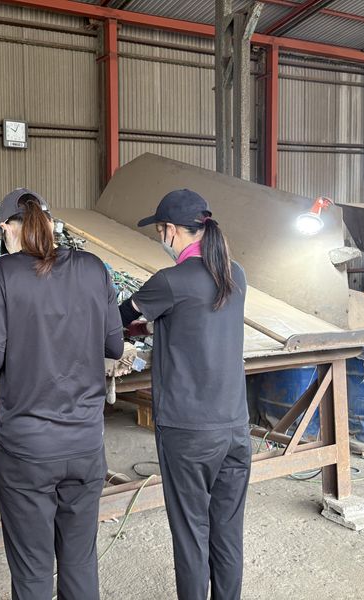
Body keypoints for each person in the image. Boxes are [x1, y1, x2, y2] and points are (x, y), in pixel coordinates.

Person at [0, 188, 124, 600]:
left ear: (8, 228)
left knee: (33, 568)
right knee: (79, 561)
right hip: (86, 444)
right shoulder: (93, 268)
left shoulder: (2, 274)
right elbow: (114, 346)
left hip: (27, 449)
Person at [119, 189, 249, 600]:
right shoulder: (235, 274)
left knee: (191, 534)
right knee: (227, 532)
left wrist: (140, 325)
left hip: (189, 431)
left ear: (170, 230)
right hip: (235, 427)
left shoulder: (170, 281)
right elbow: (200, 320)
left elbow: (117, 318)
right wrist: (158, 326)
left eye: (160, 231)